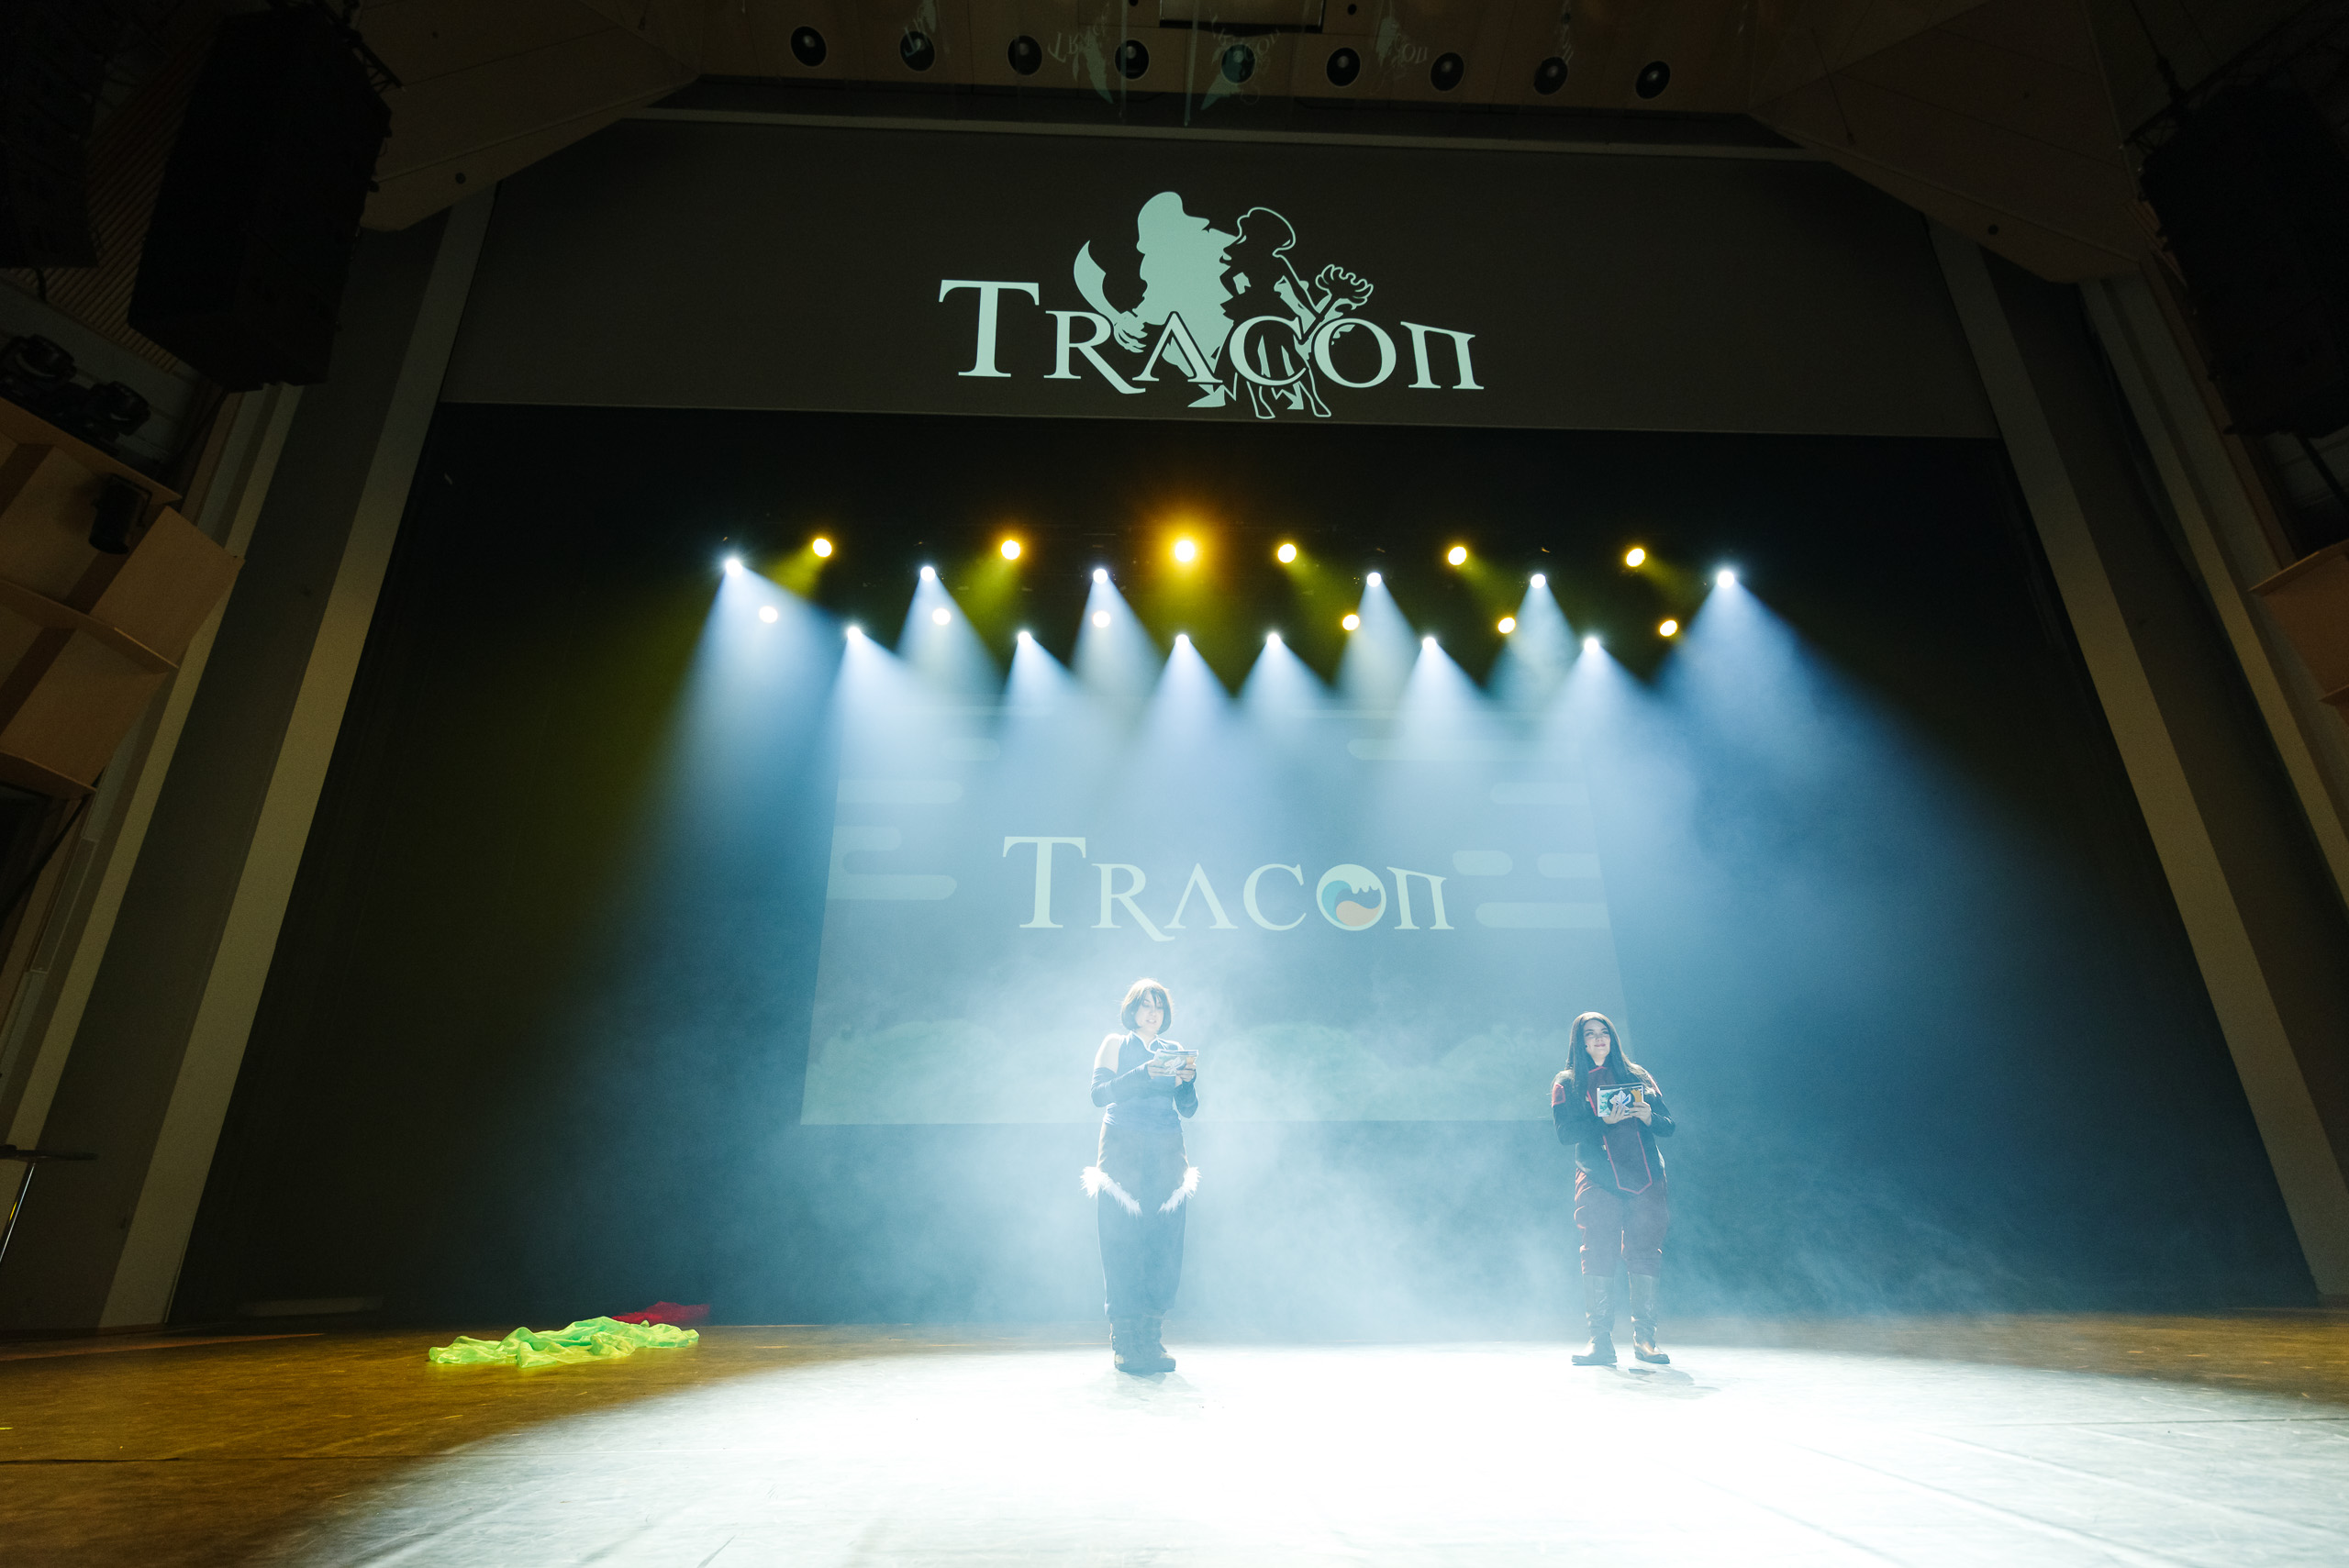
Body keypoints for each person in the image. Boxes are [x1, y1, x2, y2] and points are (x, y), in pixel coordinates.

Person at [1084, 977, 1198, 1374]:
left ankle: (1151, 1338)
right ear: (1132, 1009)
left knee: (1164, 1246)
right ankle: (1125, 1340)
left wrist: (1187, 1083)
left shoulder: (1174, 1050)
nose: (1153, 1012)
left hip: (1167, 1151)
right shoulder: (1115, 1043)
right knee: (1122, 1244)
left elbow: (1188, 1109)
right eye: (1146, 1005)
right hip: (1123, 1149)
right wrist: (1144, 1073)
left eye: (1159, 1006)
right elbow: (1099, 1094)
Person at [1552, 1011, 1675, 1366]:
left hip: (1646, 1175)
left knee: (1645, 1250)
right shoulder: (1568, 1082)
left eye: (1603, 1032)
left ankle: (1645, 1340)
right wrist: (1601, 1121)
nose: (1598, 1038)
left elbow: (1668, 1125)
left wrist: (1649, 1116)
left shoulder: (1638, 1076)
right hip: (1598, 1176)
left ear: (1613, 1037)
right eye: (1590, 1034)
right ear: (1579, 1042)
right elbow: (1565, 1135)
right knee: (1597, 1250)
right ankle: (1600, 1341)